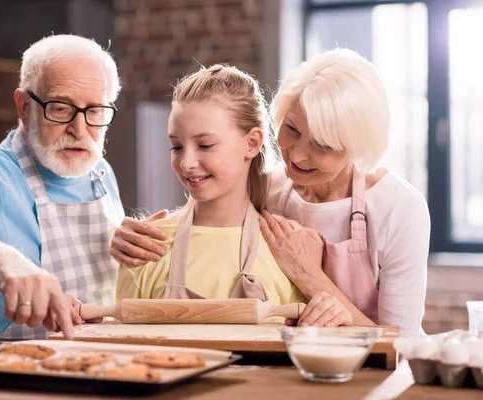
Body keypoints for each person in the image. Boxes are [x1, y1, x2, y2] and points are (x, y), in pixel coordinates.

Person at [110, 49, 431, 336]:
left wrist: (309, 277)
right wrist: (126, 232)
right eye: (291, 129)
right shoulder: (270, 187)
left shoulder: (399, 209)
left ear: (357, 146)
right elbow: (210, 200)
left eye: (322, 145)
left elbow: (402, 346)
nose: (297, 155)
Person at [0, 34, 125, 339]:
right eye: (60, 108)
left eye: (95, 111)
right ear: (24, 106)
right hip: (11, 379)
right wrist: (7, 262)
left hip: (100, 372)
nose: (80, 130)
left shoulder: (100, 171)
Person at [115, 64, 307, 310]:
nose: (187, 163)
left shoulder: (285, 249)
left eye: (205, 145)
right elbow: (122, 342)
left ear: (251, 143)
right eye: (176, 146)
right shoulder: (147, 246)